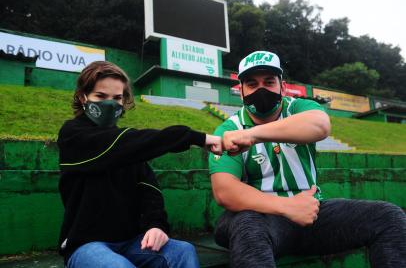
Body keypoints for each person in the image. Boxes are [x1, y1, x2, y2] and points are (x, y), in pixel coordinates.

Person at [209, 51, 406, 267]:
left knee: (389, 217)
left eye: (269, 82)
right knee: (247, 225)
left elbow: (320, 125)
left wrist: (252, 134)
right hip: (262, 217)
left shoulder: (298, 108)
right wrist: (286, 206)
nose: (261, 89)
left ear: (282, 87)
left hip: (312, 212)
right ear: (241, 91)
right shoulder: (229, 129)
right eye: (252, 84)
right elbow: (225, 191)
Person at [57, 61, 222, 268]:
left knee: (182, 251)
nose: (110, 104)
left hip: (131, 242)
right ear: (83, 97)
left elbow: (149, 189)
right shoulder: (73, 135)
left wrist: (156, 226)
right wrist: (196, 137)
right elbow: (123, 144)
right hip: (86, 245)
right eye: (100, 96)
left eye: (117, 98)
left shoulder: (128, 147)